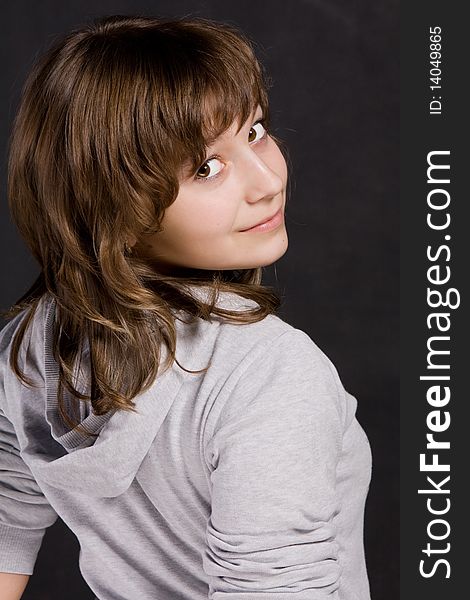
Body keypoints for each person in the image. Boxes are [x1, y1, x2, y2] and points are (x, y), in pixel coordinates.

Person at [0, 14, 372, 600]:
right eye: (206, 168)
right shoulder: (269, 371)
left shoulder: (35, 343)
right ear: (112, 206)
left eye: (254, 131)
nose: (266, 180)